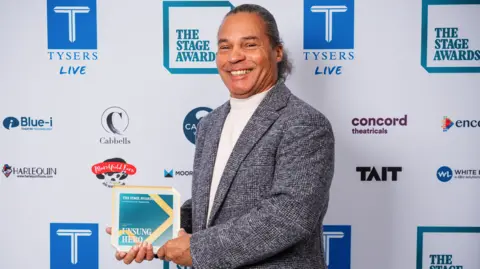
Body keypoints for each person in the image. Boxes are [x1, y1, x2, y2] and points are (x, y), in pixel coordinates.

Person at [106, 3, 335, 268]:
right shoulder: (210, 124)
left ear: (277, 52)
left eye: (249, 45)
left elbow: (290, 215)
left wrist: (197, 249)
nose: (234, 57)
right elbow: (210, 209)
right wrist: (149, 232)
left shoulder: (304, 123)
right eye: (225, 46)